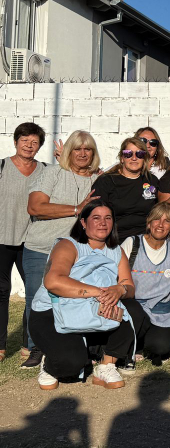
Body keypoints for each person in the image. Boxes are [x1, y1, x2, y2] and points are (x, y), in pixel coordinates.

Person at [28, 202, 136, 390]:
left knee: (133, 310)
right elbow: (53, 281)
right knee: (71, 363)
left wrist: (120, 290)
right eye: (96, 218)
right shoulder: (68, 245)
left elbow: (129, 286)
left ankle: (106, 365)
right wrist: (99, 291)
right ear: (83, 223)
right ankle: (50, 364)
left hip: (92, 310)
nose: (103, 223)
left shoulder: (116, 251)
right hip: (53, 312)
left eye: (108, 218)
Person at [22, 130, 101, 370]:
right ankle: (36, 347)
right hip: (41, 247)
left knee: (73, 299)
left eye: (87, 149)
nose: (82, 153)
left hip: (77, 252)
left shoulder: (98, 179)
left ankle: (70, 342)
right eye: (77, 148)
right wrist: (77, 208)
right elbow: (35, 207)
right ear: (68, 151)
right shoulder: (52, 173)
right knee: (37, 300)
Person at [120, 203, 170, 368]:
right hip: (134, 307)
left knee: (162, 347)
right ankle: (131, 347)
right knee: (133, 316)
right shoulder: (132, 243)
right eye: (156, 219)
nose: (160, 224)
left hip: (162, 310)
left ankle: (143, 345)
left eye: (167, 221)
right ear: (149, 223)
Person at [0, 122, 45, 363]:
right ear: (15, 142)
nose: (29, 145)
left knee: (35, 293)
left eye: (34, 141)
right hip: (1, 238)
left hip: (32, 240)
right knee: (1, 291)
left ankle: (31, 343)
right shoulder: (2, 166)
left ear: (40, 146)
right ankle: (0, 346)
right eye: (24, 140)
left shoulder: (46, 170)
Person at [93, 138, 158, 242]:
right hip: (115, 240)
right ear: (122, 158)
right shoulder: (106, 181)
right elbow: (95, 216)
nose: (134, 158)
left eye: (139, 154)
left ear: (144, 158)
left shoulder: (152, 180)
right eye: (128, 154)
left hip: (146, 240)